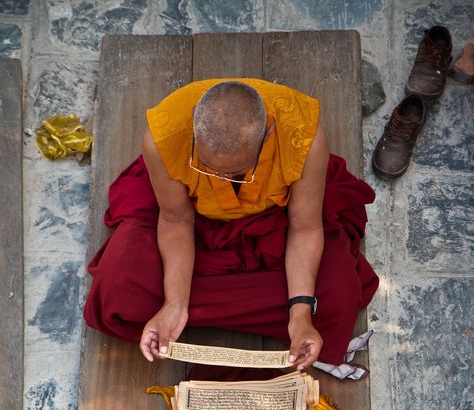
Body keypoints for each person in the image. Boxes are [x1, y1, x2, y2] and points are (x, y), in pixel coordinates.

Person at [84, 79, 379, 375]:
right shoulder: (165, 135)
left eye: (236, 173)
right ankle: (183, 312)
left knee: (337, 293)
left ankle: (286, 321)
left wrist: (300, 313)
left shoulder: (302, 138)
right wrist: (174, 302)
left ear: (268, 136)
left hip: (274, 222)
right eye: (205, 166)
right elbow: (176, 220)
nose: (218, 180)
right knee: (117, 291)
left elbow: (304, 228)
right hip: (191, 222)